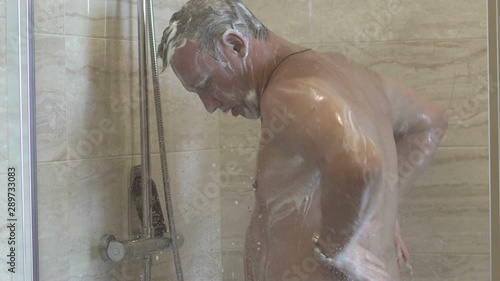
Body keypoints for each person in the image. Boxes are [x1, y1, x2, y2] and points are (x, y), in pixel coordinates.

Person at [158, 0, 448, 280]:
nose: (209, 105)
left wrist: (337, 250)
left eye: (205, 83)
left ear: (235, 44)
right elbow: (430, 123)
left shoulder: (289, 93)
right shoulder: (348, 73)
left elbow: (359, 163)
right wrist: (383, 206)